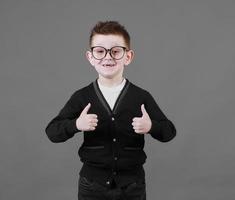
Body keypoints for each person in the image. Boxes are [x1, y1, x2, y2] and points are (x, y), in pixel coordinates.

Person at [45, 20, 176, 200]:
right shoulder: (82, 97)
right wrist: (76, 124)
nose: (108, 57)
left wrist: (151, 126)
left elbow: (169, 132)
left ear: (128, 57)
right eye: (100, 51)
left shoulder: (141, 97)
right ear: (90, 57)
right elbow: (52, 132)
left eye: (115, 51)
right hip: (92, 186)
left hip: (132, 186)